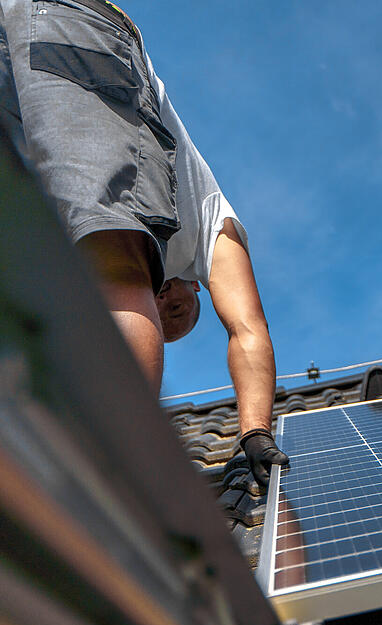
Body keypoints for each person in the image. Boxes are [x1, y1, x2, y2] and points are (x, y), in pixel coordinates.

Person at [0, 0, 286, 486]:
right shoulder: (213, 229)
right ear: (197, 288)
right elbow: (247, 328)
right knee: (118, 265)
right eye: (176, 311)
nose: (161, 304)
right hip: (68, 33)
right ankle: (114, 466)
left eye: (159, 317)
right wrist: (255, 429)